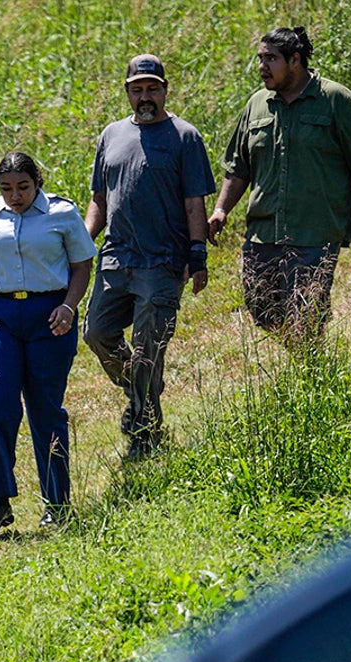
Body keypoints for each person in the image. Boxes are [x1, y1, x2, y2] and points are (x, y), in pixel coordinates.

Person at [207, 26, 351, 343]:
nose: (262, 67)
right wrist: (221, 209)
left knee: (305, 313)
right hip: (264, 231)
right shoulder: (257, 105)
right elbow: (238, 168)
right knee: (261, 307)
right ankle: (306, 356)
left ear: (295, 60)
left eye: (271, 59)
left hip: (316, 231)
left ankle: (310, 370)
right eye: (260, 58)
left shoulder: (335, 99)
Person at [0, 151, 95, 534]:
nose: (15, 195)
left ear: (37, 182)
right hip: (0, 316)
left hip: (49, 315)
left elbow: (82, 265)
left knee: (45, 410)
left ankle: (57, 504)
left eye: (23, 187)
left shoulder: (61, 213)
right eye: (7, 188)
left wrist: (69, 306)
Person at [83, 54, 216, 460]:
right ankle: (140, 392)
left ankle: (144, 427)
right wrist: (84, 245)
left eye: (152, 89)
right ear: (127, 93)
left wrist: (198, 256)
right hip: (116, 258)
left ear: (165, 90)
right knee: (96, 333)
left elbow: (195, 202)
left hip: (162, 262)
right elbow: (100, 200)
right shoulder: (111, 135)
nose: (145, 97)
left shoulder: (185, 136)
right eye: (137, 89)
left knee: (147, 348)